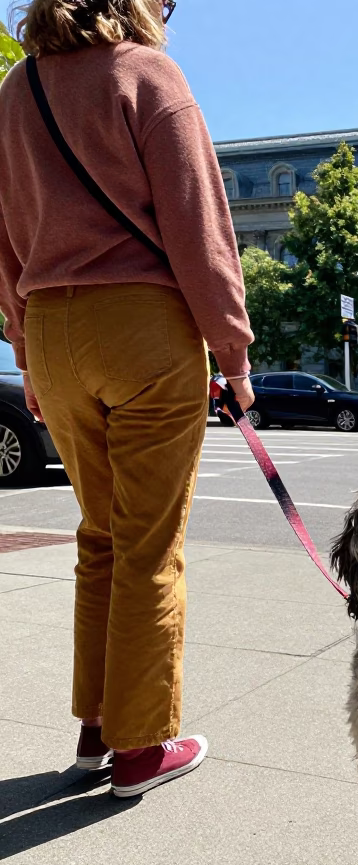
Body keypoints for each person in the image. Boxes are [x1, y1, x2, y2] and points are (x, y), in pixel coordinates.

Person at [0, 0, 256, 798]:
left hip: (51, 328)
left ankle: (95, 732)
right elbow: (199, 226)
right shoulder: (147, 74)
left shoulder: (15, 91)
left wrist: (26, 347)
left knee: (100, 536)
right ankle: (142, 751)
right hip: (143, 324)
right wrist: (233, 350)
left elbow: (2, 232)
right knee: (150, 542)